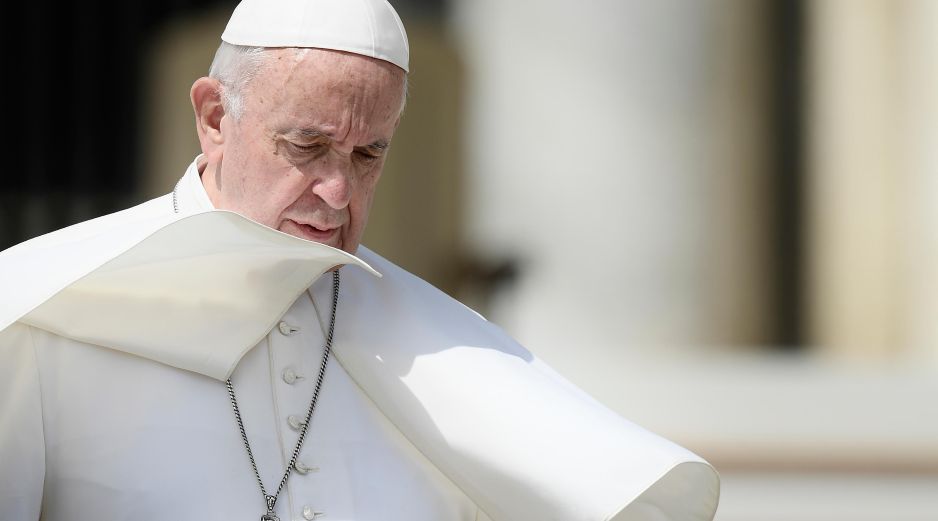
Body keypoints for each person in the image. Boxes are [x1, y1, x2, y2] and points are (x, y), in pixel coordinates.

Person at [0, 0, 719, 519]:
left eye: (368, 153)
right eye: (307, 146)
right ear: (216, 118)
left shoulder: (439, 347)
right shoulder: (42, 310)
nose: (339, 190)